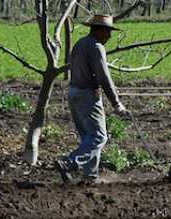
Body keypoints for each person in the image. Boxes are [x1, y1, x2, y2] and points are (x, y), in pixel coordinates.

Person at [54, 14, 131, 185]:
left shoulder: (80, 43)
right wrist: (117, 104)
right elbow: (104, 77)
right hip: (88, 94)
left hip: (73, 92)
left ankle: (90, 176)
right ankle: (69, 162)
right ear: (100, 30)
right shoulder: (97, 47)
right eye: (108, 31)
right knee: (99, 137)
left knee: (88, 137)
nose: (109, 36)